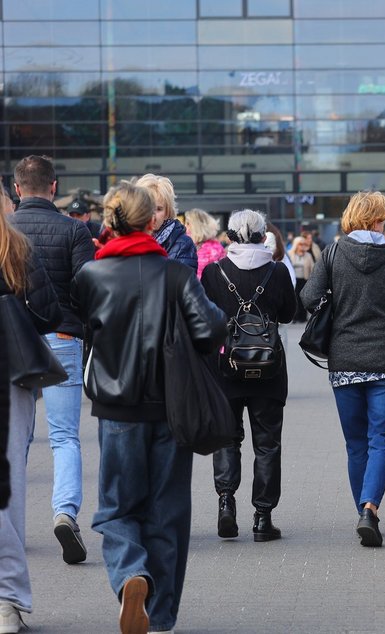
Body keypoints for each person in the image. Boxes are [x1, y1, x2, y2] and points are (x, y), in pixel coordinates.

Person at [71, 181, 226, 634]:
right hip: (171, 406)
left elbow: (83, 328)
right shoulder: (175, 274)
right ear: (153, 220)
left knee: (116, 508)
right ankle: (160, 617)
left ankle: (130, 574)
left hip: (116, 409)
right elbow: (210, 329)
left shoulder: (91, 275)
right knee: (168, 513)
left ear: (110, 219)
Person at [300, 191, 385, 548]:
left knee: (355, 444)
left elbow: (308, 297)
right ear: (378, 219)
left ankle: (363, 513)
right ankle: (370, 508)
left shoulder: (334, 253)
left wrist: (339, 302)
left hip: (345, 360)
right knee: (380, 440)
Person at [9, 155, 94, 565]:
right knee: (64, 436)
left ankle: (11, 526)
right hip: (62, 335)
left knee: (16, 438)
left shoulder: (6, 230)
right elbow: (88, 288)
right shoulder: (75, 230)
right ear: (54, 187)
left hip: (14, 341)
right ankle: (65, 513)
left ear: (17, 189)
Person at [202, 210, 296, 543]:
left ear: (229, 237)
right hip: (268, 370)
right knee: (267, 444)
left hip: (225, 368)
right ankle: (262, 518)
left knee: (227, 439)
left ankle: (226, 503)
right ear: (262, 236)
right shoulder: (277, 271)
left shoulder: (214, 272)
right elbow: (290, 314)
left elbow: (205, 320)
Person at [0, 211, 63, 633]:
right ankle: (7, 600)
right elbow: (48, 315)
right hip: (10, 372)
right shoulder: (16, 247)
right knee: (9, 489)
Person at [132, 173, 198, 272]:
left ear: (167, 212)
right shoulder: (128, 238)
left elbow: (185, 280)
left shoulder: (183, 244)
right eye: (147, 207)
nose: (153, 215)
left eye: (159, 209)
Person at [183, 208, 225, 280]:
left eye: (188, 223)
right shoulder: (188, 245)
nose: (185, 226)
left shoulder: (214, 249)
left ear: (197, 226)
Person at [289, 236, 314, 323]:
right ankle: (294, 316)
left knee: (303, 299)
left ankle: (302, 317)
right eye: (300, 244)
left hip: (304, 280)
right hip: (293, 280)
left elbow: (313, 268)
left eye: (304, 244)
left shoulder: (308, 255)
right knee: (294, 299)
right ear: (296, 245)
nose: (302, 246)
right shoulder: (290, 254)